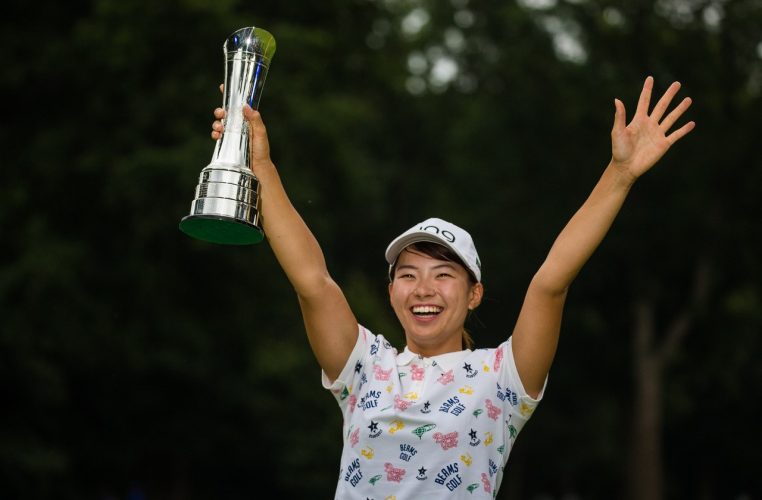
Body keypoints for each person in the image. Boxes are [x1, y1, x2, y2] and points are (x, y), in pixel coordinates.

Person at [210, 76, 694, 498]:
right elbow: (311, 281)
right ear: (391, 291)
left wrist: (620, 174)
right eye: (408, 274)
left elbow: (551, 282)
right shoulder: (365, 367)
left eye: (444, 275)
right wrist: (263, 167)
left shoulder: (503, 379)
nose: (424, 289)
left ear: (474, 293)